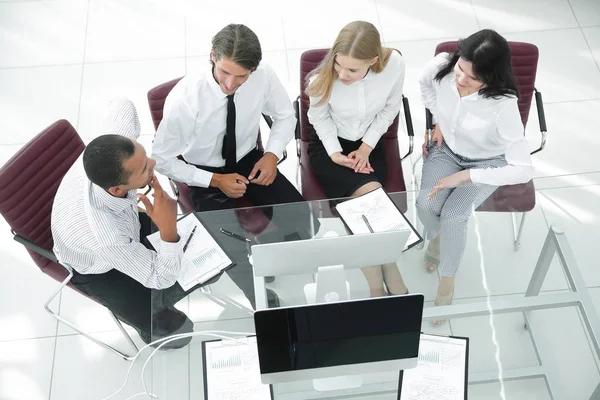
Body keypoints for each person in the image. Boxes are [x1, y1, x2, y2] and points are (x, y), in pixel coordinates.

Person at [151, 23, 313, 308]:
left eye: (241, 77)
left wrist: (273, 155)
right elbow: (162, 159)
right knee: (229, 246)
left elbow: (286, 116)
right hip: (204, 173)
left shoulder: (263, 77)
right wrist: (214, 181)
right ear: (212, 55)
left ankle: (270, 257)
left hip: (250, 158)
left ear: (253, 70)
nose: (230, 84)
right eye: (225, 72)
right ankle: (258, 295)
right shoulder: (185, 99)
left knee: (302, 217)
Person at [51, 98, 193, 348]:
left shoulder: (120, 147)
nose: (153, 165)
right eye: (144, 171)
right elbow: (159, 278)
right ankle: (152, 334)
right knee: (174, 330)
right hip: (99, 267)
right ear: (118, 189)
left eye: (145, 157)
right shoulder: (107, 238)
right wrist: (168, 228)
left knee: (192, 260)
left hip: (121, 221)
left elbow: (121, 104)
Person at [416, 29, 533, 324]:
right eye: (461, 70)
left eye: (472, 77)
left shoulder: (502, 104)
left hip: (487, 163)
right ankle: (440, 241)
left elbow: (523, 170)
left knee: (455, 215)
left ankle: (447, 282)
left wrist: (468, 176)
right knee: (426, 206)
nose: (461, 80)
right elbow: (424, 85)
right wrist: (436, 120)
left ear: (491, 77)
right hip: (446, 150)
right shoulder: (443, 65)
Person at [306, 21, 408, 297]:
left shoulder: (394, 65)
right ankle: (382, 278)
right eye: (339, 65)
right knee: (369, 203)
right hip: (330, 148)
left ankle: (381, 277)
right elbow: (317, 117)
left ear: (373, 61)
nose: (343, 74)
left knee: (366, 209)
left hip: (369, 142)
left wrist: (365, 148)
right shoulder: (322, 79)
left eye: (353, 69)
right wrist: (335, 153)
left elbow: (390, 110)